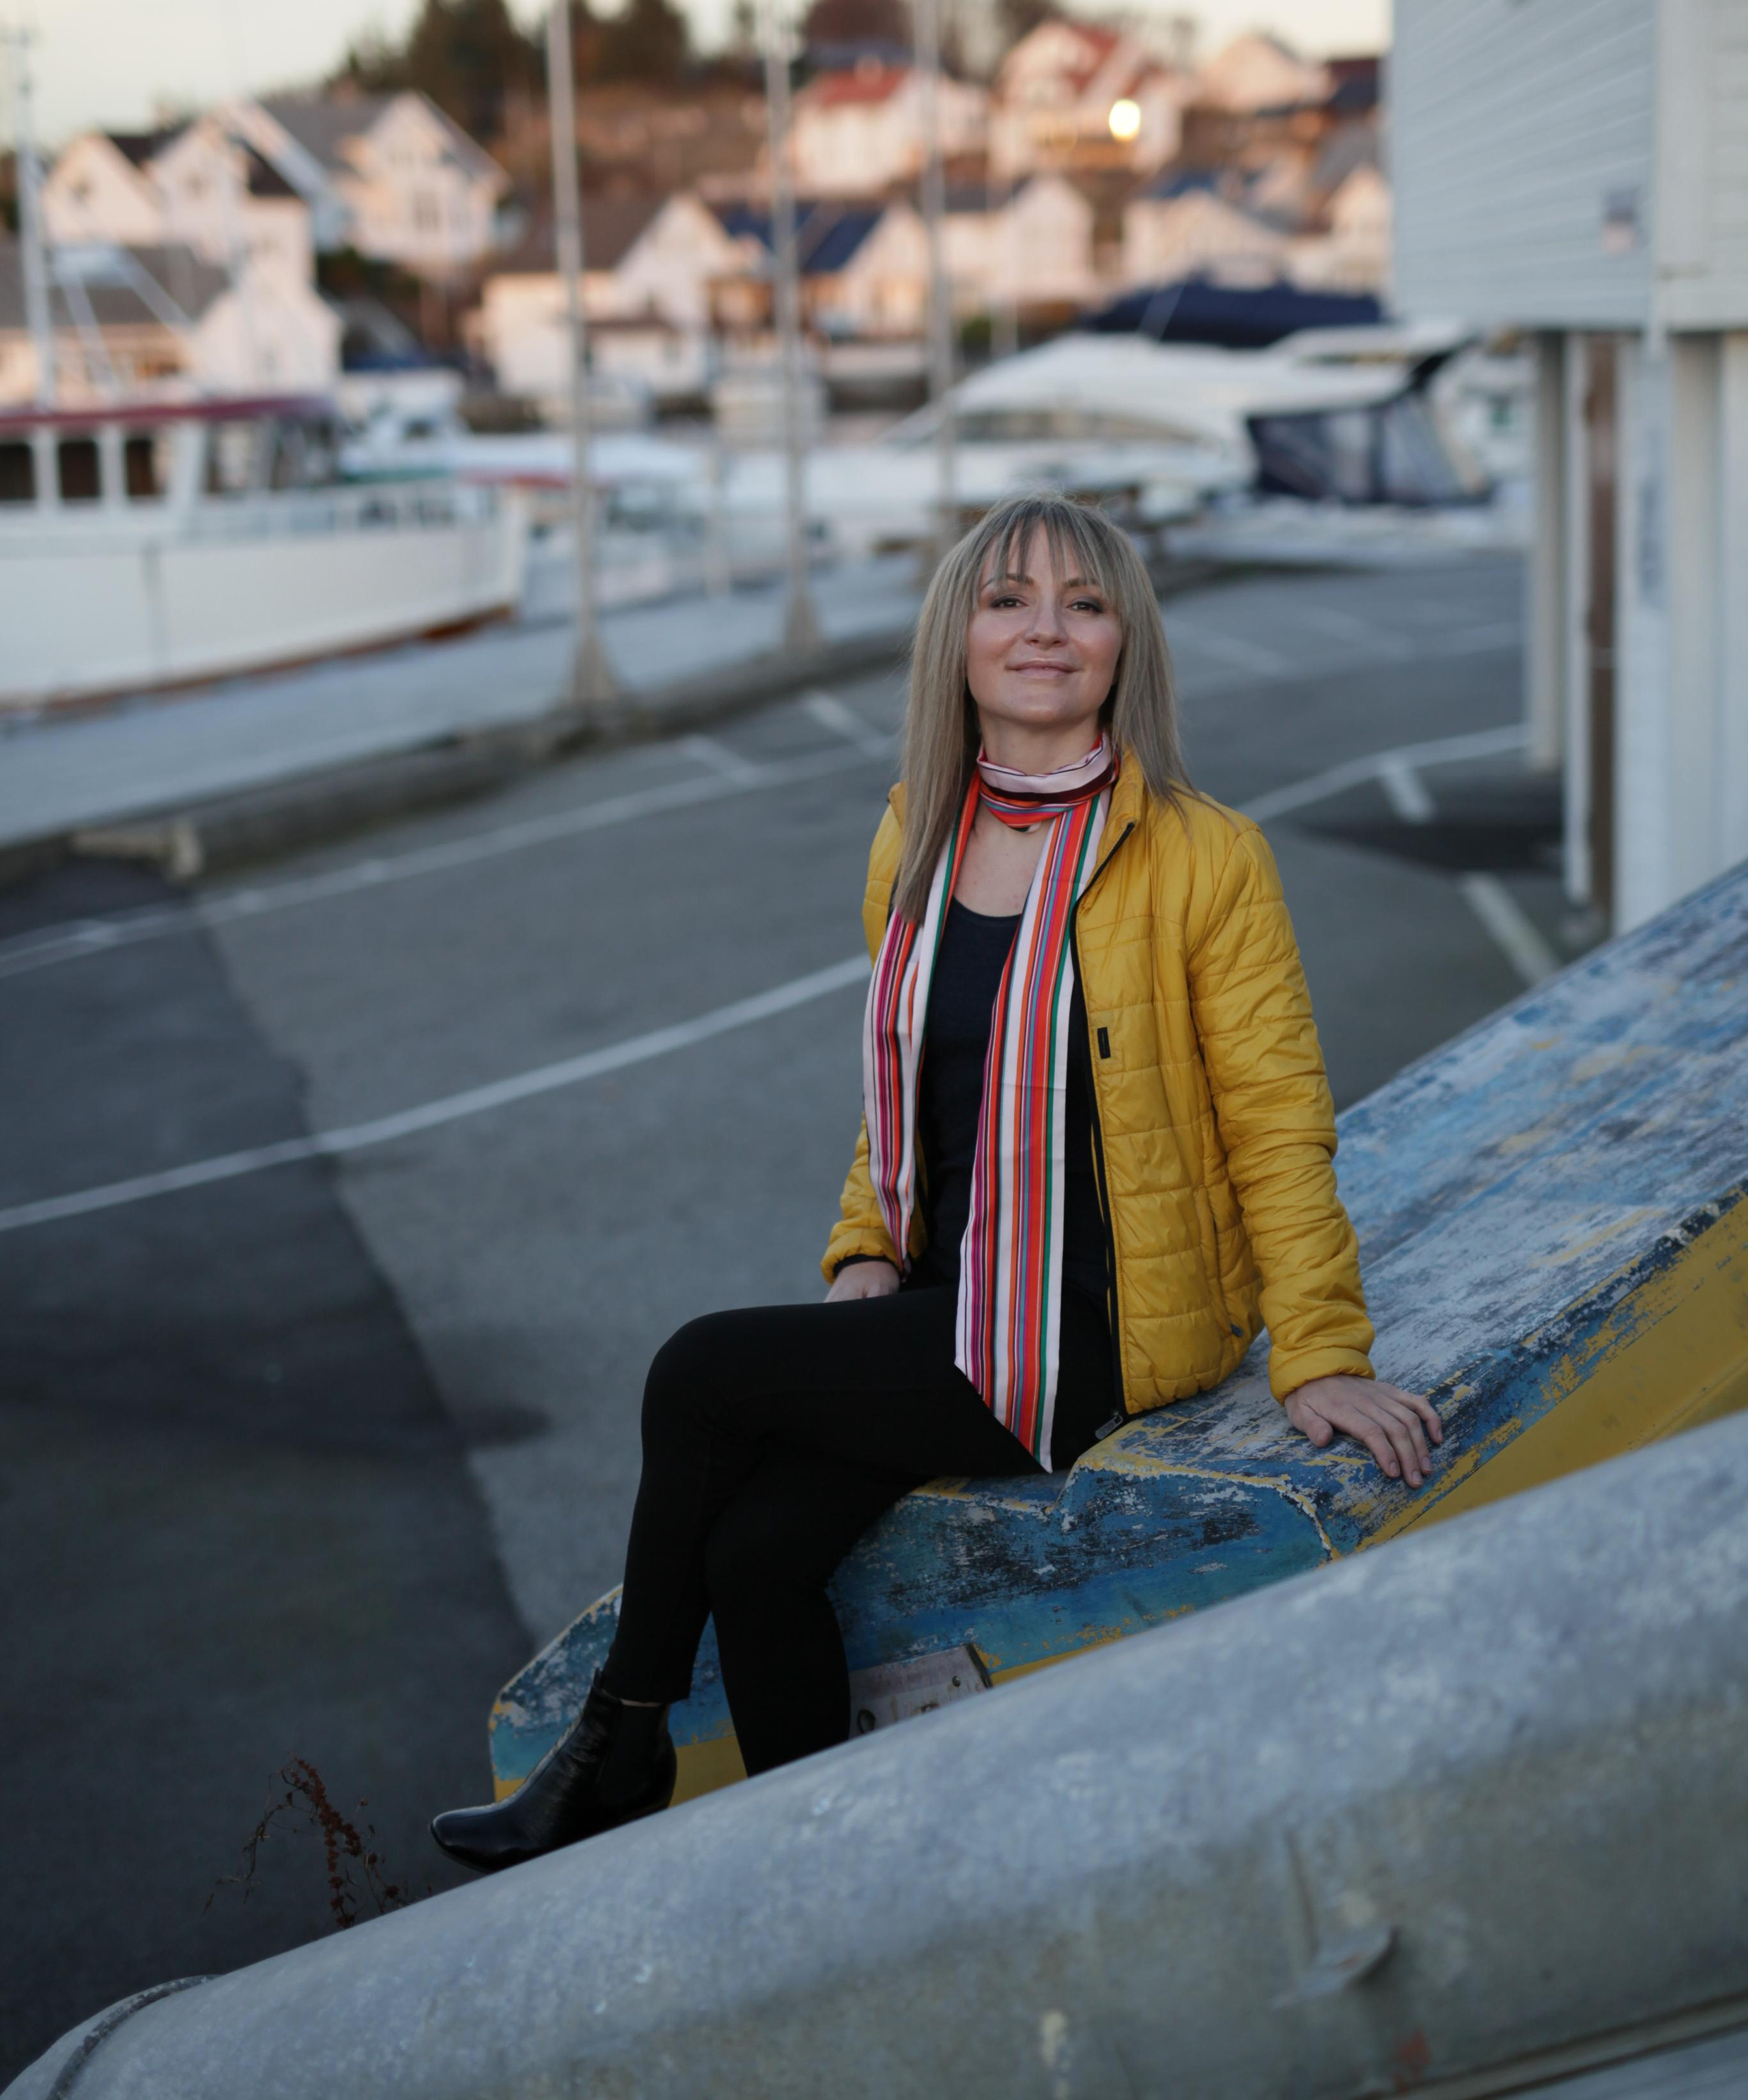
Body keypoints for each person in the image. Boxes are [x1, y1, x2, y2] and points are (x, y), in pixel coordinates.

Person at [431, 494, 1439, 1873]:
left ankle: (620, 1739)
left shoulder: (1203, 856)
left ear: (1125, 643)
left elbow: (1277, 1122)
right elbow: (902, 1088)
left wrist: (1319, 1351)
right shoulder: (915, 830)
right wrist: (863, 1247)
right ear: (956, 640)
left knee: (701, 1372)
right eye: (1007, 599)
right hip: (944, 1302)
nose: (1045, 629)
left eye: (1084, 603)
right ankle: (827, 1867)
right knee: (755, 1556)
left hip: (1094, 1327)